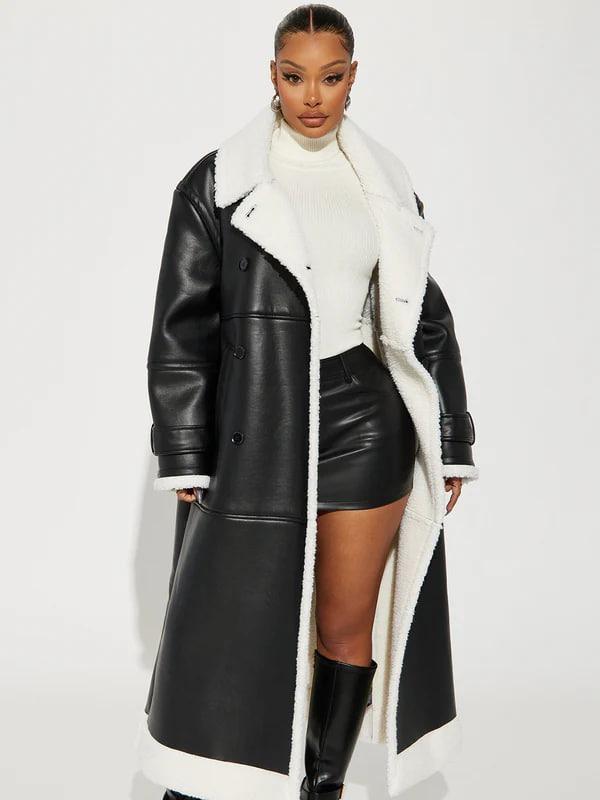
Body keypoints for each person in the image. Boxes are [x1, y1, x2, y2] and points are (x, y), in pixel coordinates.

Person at [135, 5, 478, 800]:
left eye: (330, 77)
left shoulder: (385, 185)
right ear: (273, 76)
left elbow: (426, 316)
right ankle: (205, 778)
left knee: (343, 627)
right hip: (261, 423)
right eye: (295, 77)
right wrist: (185, 448)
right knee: (231, 615)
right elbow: (180, 326)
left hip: (367, 422)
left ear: (353, 77)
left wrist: (450, 437)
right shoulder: (220, 185)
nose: (312, 96)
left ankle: (321, 788)